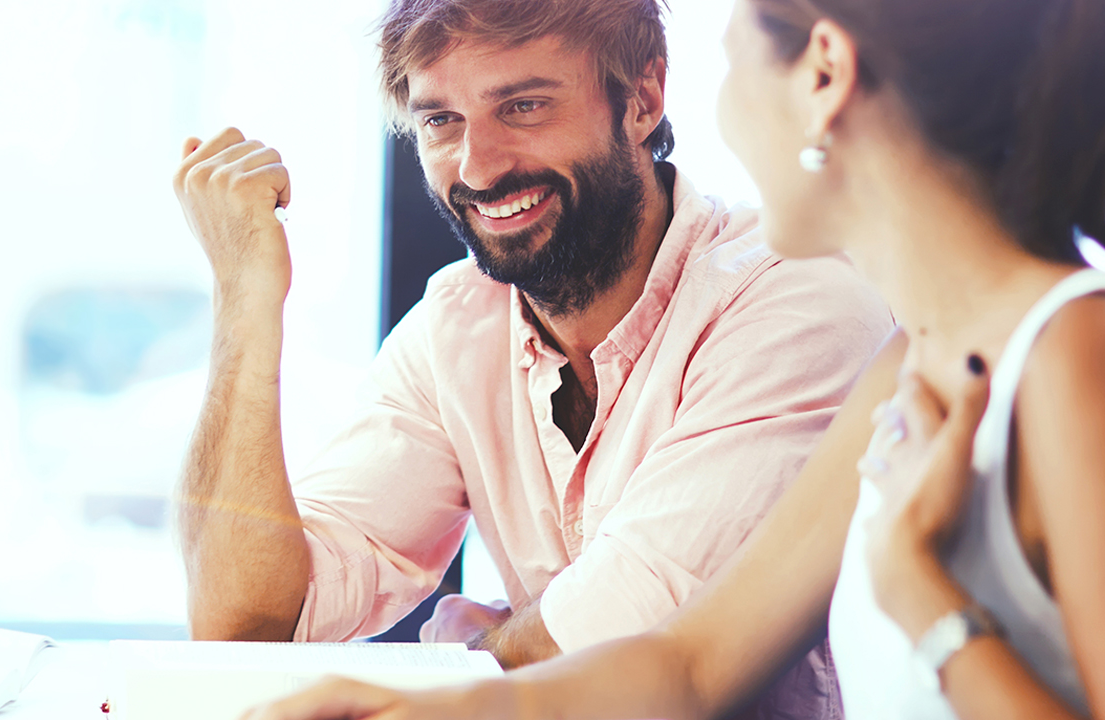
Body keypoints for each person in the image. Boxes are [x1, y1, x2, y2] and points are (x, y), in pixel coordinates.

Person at [243, 0, 1105, 717]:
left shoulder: (1092, 351)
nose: (718, 122)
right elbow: (687, 662)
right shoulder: (911, 366)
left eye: (731, 64)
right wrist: (411, 708)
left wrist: (920, 597)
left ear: (821, 77)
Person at [172, 0, 891, 715]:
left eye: (520, 107)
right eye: (440, 121)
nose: (476, 168)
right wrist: (244, 295)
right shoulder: (454, 327)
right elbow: (247, 624)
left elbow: (631, 633)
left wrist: (469, 663)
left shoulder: (794, 298)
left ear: (641, 101)